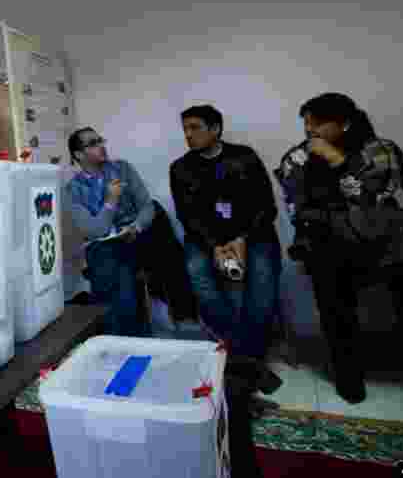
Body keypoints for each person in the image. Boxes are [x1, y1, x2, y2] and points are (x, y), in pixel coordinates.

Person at [274, 93, 403, 406]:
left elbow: (386, 203)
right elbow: (298, 207)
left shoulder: (380, 150)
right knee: (334, 307)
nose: (309, 130)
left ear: (343, 123)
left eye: (317, 122)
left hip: (387, 245)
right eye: (305, 123)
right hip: (331, 246)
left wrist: (337, 161)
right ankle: (348, 375)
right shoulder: (298, 158)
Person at [170, 105, 283, 359]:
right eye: (185, 129)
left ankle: (248, 353)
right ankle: (242, 351)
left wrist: (241, 239)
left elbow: (266, 207)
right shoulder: (180, 168)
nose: (188, 134)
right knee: (197, 274)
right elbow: (187, 216)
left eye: (195, 127)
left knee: (262, 284)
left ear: (216, 129)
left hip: (252, 234)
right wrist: (215, 246)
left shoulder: (244, 157)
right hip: (205, 238)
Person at [65, 127, 154, 337]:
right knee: (107, 262)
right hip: (102, 249)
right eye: (93, 143)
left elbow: (147, 206)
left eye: (100, 140)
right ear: (78, 154)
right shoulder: (73, 189)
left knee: (116, 272)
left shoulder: (123, 169)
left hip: (133, 239)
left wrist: (136, 226)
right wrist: (111, 200)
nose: (101, 146)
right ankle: (127, 340)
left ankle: (125, 340)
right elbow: (96, 230)